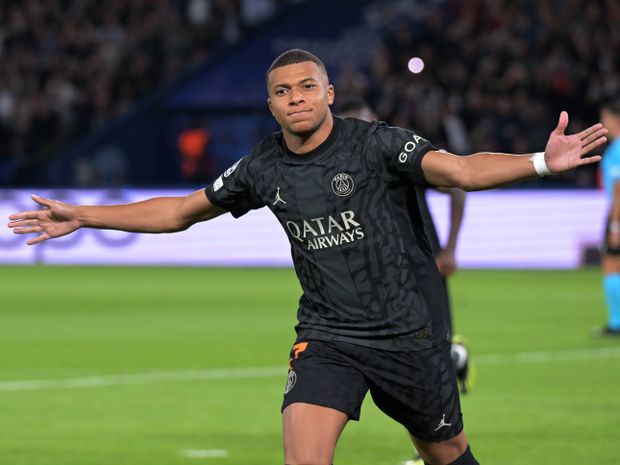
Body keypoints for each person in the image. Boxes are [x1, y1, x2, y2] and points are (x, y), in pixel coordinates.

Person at [8, 49, 607, 465]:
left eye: (306, 87)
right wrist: (84, 214)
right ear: (270, 105)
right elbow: (180, 211)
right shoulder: (262, 166)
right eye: (282, 92)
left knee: (448, 455)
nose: (295, 98)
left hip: (407, 335)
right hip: (328, 337)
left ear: (329, 94)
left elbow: (461, 171)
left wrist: (540, 162)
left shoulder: (376, 145)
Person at [338, 98, 471, 394]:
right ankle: (453, 359)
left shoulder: (399, 154)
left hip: (423, 263)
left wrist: (449, 250)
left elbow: (456, 187)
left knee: (434, 355)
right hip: (376, 273)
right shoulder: (341, 170)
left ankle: (453, 362)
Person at [597, 97, 620, 337]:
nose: (603, 123)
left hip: (618, 215)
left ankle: (616, 323)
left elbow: (619, 190)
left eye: (604, 118)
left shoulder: (617, 150)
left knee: (612, 266)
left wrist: (614, 225)